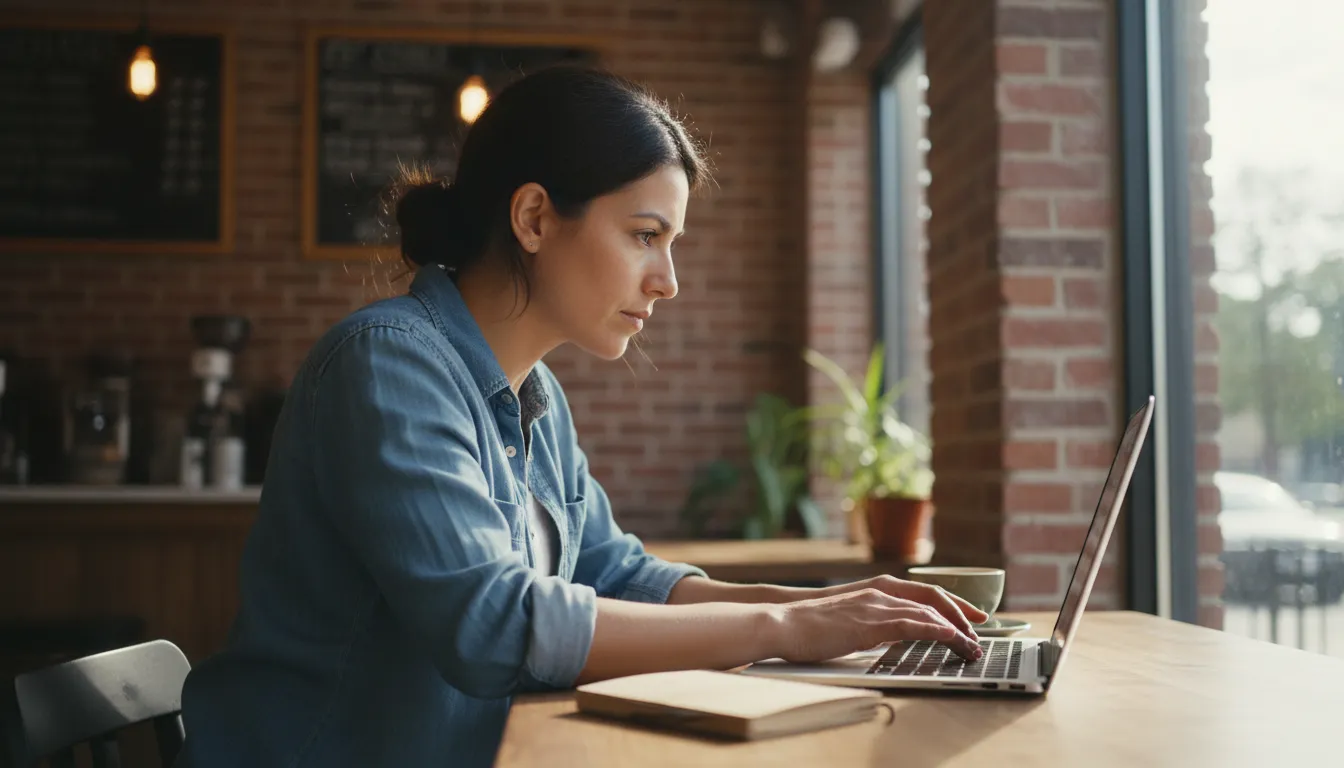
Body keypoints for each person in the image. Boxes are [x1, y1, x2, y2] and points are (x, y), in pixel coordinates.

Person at [174, 65, 985, 767]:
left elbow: (618, 575)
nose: (667, 279)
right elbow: (492, 625)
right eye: (644, 235)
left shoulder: (534, 395)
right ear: (533, 218)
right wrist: (786, 625)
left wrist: (840, 613)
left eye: (673, 243)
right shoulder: (386, 364)